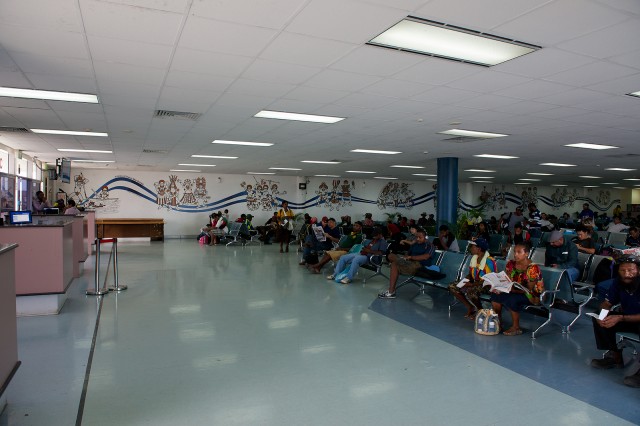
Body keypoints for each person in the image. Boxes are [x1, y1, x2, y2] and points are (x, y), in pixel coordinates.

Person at [589, 255, 640, 388]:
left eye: (630, 270)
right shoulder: (618, 282)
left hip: (634, 318)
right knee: (600, 317)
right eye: (622, 270)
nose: (626, 274)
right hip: (628, 317)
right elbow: (607, 303)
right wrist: (603, 315)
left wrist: (620, 317)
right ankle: (614, 356)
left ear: (638, 271)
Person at [491, 242, 545, 336]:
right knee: (495, 295)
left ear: (527, 254)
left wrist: (512, 289)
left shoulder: (533, 268)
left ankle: (516, 327)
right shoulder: (511, 264)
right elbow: (506, 279)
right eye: (514, 252)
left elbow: (529, 288)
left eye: (519, 252)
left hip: (531, 295)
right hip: (513, 290)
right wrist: (499, 287)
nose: (515, 254)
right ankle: (498, 322)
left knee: (512, 298)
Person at [378, 228, 436, 299]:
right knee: (391, 255)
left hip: (419, 266)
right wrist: (405, 257)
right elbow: (408, 253)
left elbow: (425, 257)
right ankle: (391, 291)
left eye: (420, 237)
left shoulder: (430, 245)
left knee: (394, 264)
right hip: (409, 263)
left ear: (425, 237)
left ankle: (391, 291)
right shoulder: (415, 244)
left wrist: (411, 257)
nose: (417, 239)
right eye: (416, 237)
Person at [448, 238, 498, 319]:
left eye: (473, 246)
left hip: (487, 285)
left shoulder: (489, 261)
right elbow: (471, 274)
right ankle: (470, 307)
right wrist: (464, 281)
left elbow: (489, 280)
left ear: (479, 249)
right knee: (453, 286)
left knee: (471, 291)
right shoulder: (474, 258)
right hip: (476, 282)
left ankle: (481, 311)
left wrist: (471, 284)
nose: (471, 248)